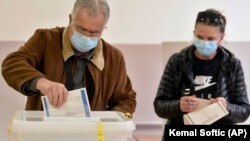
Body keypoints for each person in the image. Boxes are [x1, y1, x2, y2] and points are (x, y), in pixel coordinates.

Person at [1, 0, 136, 116]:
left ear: (104, 28)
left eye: (95, 32)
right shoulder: (45, 39)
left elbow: (126, 99)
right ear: (70, 19)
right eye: (81, 29)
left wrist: (110, 122)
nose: (87, 36)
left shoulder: (114, 58)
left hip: (91, 134)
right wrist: (42, 83)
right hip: (44, 131)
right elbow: (11, 63)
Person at [154, 8, 250, 133]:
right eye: (199, 37)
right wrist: (179, 106)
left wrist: (226, 107)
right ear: (194, 33)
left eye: (210, 39)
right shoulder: (177, 62)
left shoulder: (232, 65)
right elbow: (159, 106)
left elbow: (244, 111)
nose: (204, 43)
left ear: (221, 38)